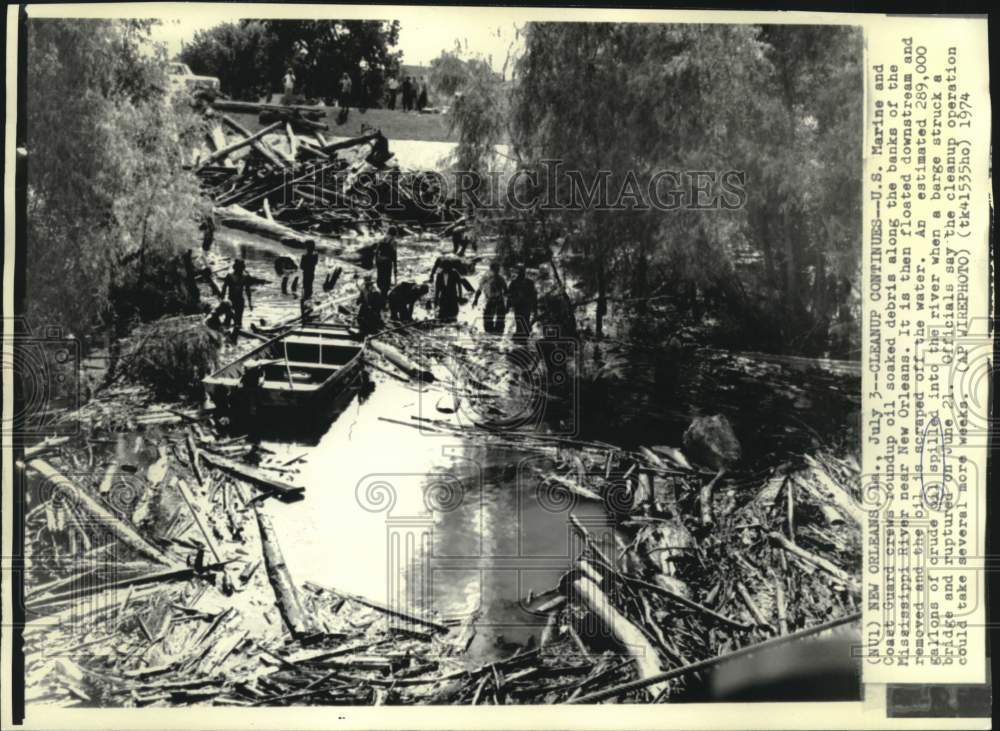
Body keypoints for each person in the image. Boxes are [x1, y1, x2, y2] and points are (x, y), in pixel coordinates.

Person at [220, 259, 253, 341]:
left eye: (242, 268)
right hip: (231, 301)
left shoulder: (245, 277)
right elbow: (224, 288)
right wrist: (222, 300)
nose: (241, 270)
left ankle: (235, 339)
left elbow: (247, 290)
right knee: (228, 320)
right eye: (240, 268)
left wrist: (250, 303)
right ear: (236, 268)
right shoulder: (230, 276)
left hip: (240, 301)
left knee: (238, 322)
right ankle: (225, 338)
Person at [473, 261, 508, 334]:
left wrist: (508, 303)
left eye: (497, 270)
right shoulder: (485, 279)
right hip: (490, 301)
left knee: (500, 324)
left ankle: (497, 337)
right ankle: (491, 338)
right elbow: (479, 290)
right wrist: (475, 300)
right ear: (491, 269)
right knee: (488, 325)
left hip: (498, 301)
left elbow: (506, 291)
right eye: (495, 269)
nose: (496, 271)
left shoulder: (500, 279)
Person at [507, 264, 537, 338]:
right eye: (521, 272)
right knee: (521, 319)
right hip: (522, 305)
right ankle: (522, 334)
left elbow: (534, 295)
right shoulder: (527, 282)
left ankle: (522, 334)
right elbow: (509, 295)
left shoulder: (516, 283)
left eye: (522, 272)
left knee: (521, 319)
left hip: (523, 305)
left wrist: (508, 305)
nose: (521, 274)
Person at [374, 228, 398, 298]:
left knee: (380, 278)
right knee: (387, 280)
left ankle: (380, 292)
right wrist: (395, 267)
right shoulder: (394, 242)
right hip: (387, 262)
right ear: (395, 234)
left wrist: (376, 262)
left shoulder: (382, 239)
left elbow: (376, 252)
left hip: (380, 261)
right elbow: (394, 255)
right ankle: (384, 295)